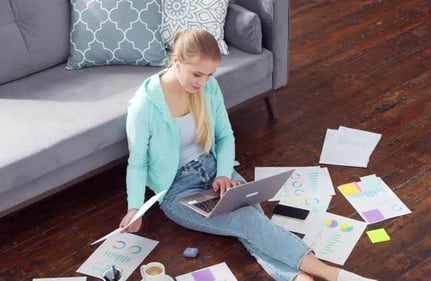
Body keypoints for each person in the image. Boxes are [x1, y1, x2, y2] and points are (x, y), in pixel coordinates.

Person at [119, 28, 376, 281]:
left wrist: (222, 174)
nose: (203, 82)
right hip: (176, 190)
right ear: (176, 60)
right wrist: (134, 209)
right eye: (197, 74)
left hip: (214, 170)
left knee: (252, 221)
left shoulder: (207, 88)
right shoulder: (144, 105)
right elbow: (137, 163)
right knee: (248, 222)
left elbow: (224, 137)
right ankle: (333, 274)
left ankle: (298, 279)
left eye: (209, 75)